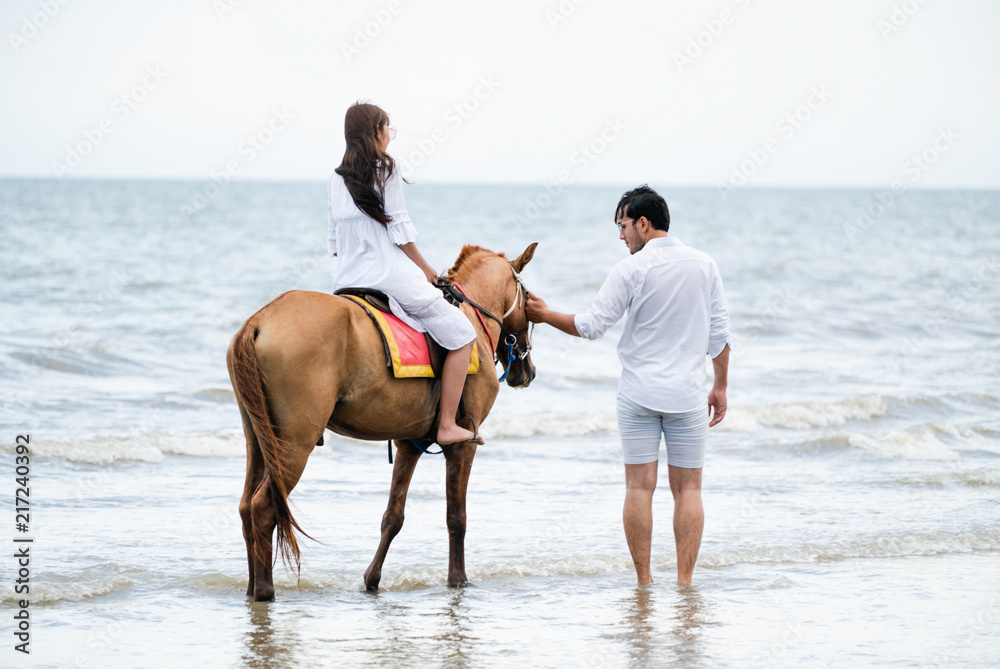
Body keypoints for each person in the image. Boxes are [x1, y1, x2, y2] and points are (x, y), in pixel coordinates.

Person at [525, 185, 730, 586]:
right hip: (687, 395)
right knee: (689, 489)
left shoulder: (631, 270)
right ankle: (685, 583)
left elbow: (590, 326)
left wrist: (546, 315)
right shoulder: (705, 265)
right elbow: (719, 336)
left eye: (622, 226)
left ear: (643, 222)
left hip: (638, 395)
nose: (621, 237)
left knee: (639, 487)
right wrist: (720, 386)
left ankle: (645, 583)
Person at [328, 101, 483, 446]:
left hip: (346, 282)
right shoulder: (387, 169)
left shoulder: (334, 180)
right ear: (375, 132)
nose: (389, 136)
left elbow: (334, 242)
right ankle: (446, 424)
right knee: (462, 334)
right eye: (387, 129)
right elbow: (400, 232)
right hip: (389, 278)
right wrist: (427, 270)